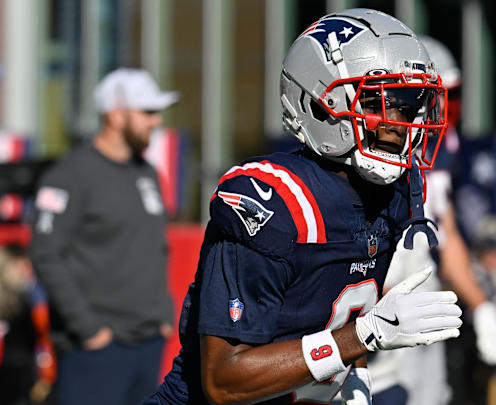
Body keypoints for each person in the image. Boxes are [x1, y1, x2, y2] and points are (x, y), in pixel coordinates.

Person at [145, 9, 462, 405]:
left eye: (407, 104)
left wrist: (355, 375)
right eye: (379, 102)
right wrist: (362, 337)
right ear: (321, 101)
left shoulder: (393, 194)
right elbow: (224, 381)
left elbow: (337, 306)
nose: (396, 124)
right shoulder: (273, 202)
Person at [364, 35, 496, 405]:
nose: (447, 108)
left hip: (421, 299)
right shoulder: (372, 153)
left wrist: (482, 305)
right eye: (439, 96)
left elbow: (444, 234)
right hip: (377, 304)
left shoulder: (437, 149)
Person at [29, 68, 178, 405]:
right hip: (95, 349)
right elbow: (44, 252)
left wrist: (164, 316)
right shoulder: (70, 174)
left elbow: (154, 249)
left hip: (148, 342)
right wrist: (89, 329)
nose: (156, 121)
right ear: (114, 114)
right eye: (147, 112)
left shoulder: (147, 173)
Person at [0, 244, 56, 405]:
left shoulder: (27, 302)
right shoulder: (22, 304)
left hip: (18, 379)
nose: (28, 271)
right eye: (22, 265)